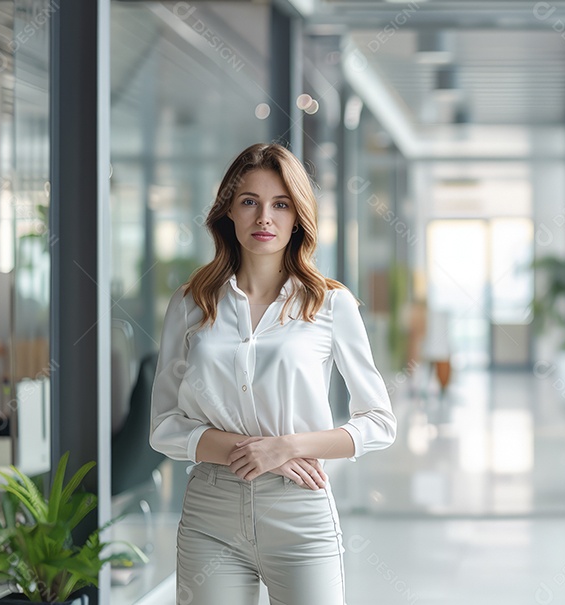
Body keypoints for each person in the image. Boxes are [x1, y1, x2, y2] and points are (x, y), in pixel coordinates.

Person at [149, 143, 397, 605]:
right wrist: (260, 454)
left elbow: (379, 422)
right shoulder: (191, 303)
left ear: (297, 216)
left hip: (299, 513)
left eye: (280, 204)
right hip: (211, 514)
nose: (265, 217)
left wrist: (288, 448)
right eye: (250, 202)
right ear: (229, 212)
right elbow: (164, 426)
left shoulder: (330, 304)